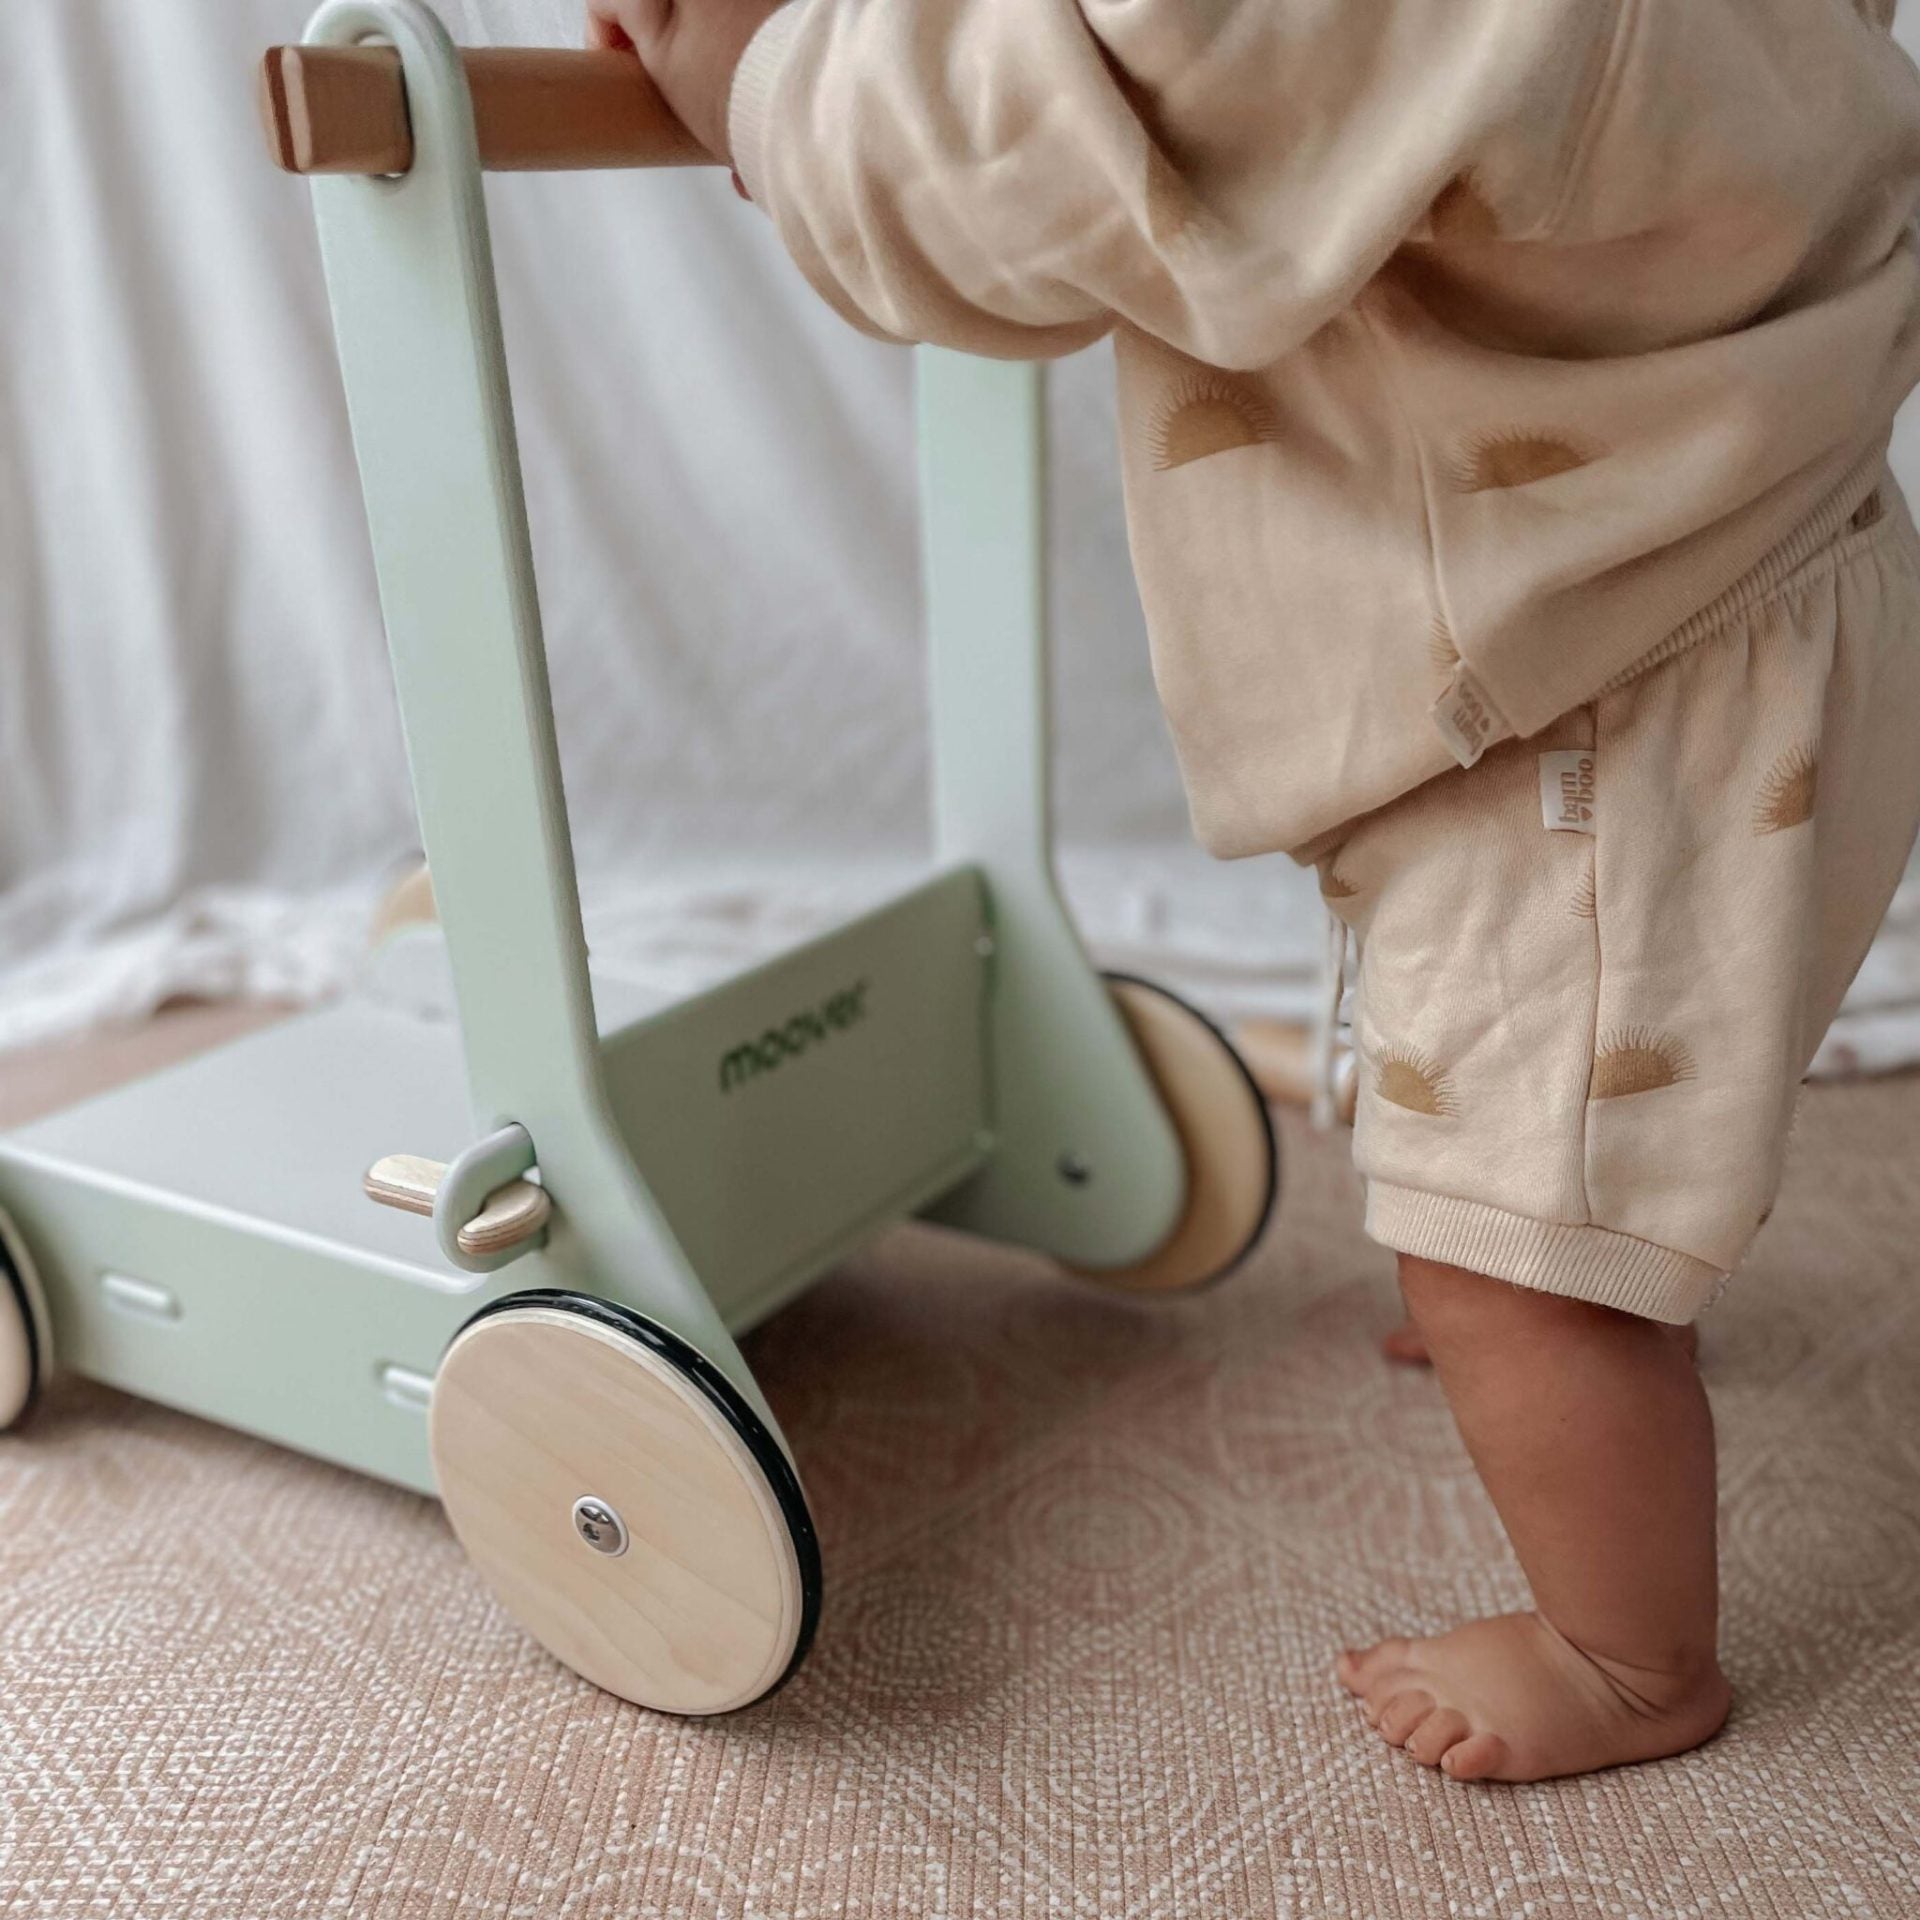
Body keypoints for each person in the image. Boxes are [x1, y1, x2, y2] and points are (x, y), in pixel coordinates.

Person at [589, 0, 1920, 1782]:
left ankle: (1627, 1654)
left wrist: (769, 77)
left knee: (1518, 1259)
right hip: (1748, 544)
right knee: (1600, 1079)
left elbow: (1056, 126)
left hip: (1597, 681)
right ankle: (1582, 1228)